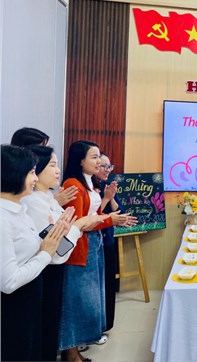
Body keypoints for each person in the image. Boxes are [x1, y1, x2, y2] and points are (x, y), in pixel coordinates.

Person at [22, 145, 106, 361]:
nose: (57, 170)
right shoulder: (36, 201)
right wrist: (79, 225)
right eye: (52, 165)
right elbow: (57, 248)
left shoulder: (49, 197)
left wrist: (75, 225)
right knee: (49, 323)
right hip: (47, 268)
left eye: (57, 164)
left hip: (56, 263)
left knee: (52, 321)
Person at [58, 140, 135, 362]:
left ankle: (75, 350)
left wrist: (110, 216)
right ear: (80, 160)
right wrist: (110, 219)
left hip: (94, 243)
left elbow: (94, 215)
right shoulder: (73, 184)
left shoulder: (89, 182)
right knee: (77, 300)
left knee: (90, 298)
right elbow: (80, 222)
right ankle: (71, 352)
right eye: (94, 157)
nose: (99, 162)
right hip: (80, 247)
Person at [0, 145, 70, 362]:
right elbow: (8, 282)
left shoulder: (20, 210)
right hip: (13, 306)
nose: (35, 178)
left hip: (30, 297)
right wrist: (45, 254)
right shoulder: (3, 219)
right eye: (31, 172)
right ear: (14, 174)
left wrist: (57, 236)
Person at [10, 127, 78, 207]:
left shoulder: (44, 190)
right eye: (42, 148)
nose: (46, 152)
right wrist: (54, 203)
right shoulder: (28, 197)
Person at [96, 152, 123, 339]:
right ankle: (96, 328)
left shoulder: (106, 186)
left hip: (108, 241)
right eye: (103, 166)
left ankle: (105, 325)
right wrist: (105, 198)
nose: (107, 170)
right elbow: (91, 215)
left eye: (109, 166)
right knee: (99, 288)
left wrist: (111, 197)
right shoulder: (89, 187)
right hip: (97, 244)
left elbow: (120, 212)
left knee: (108, 286)